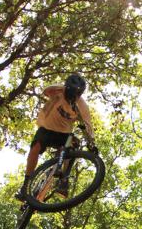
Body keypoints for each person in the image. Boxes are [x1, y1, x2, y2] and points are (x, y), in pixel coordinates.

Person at [15, 72, 95, 201]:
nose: (72, 97)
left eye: (76, 95)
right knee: (35, 147)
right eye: (70, 93)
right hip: (46, 128)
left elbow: (87, 125)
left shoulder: (81, 106)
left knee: (74, 142)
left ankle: (64, 181)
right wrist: (59, 88)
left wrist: (92, 143)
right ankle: (26, 184)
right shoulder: (58, 91)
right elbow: (46, 91)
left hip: (63, 134)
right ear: (66, 89)